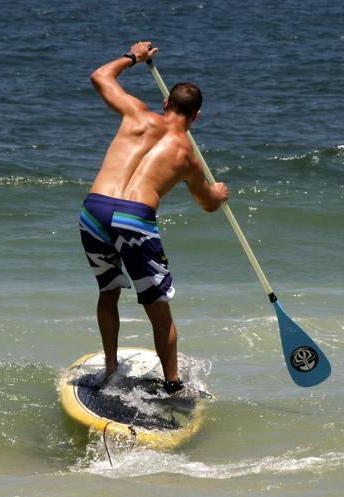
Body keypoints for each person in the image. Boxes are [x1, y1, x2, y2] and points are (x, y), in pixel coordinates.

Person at [79, 41, 229, 393]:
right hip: (134, 219)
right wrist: (218, 194)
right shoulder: (188, 156)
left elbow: (100, 76)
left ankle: (111, 372)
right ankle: (173, 385)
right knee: (157, 309)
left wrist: (135, 58)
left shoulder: (135, 113)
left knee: (108, 291)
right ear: (195, 117)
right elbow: (207, 203)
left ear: (165, 104)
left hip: (94, 210)